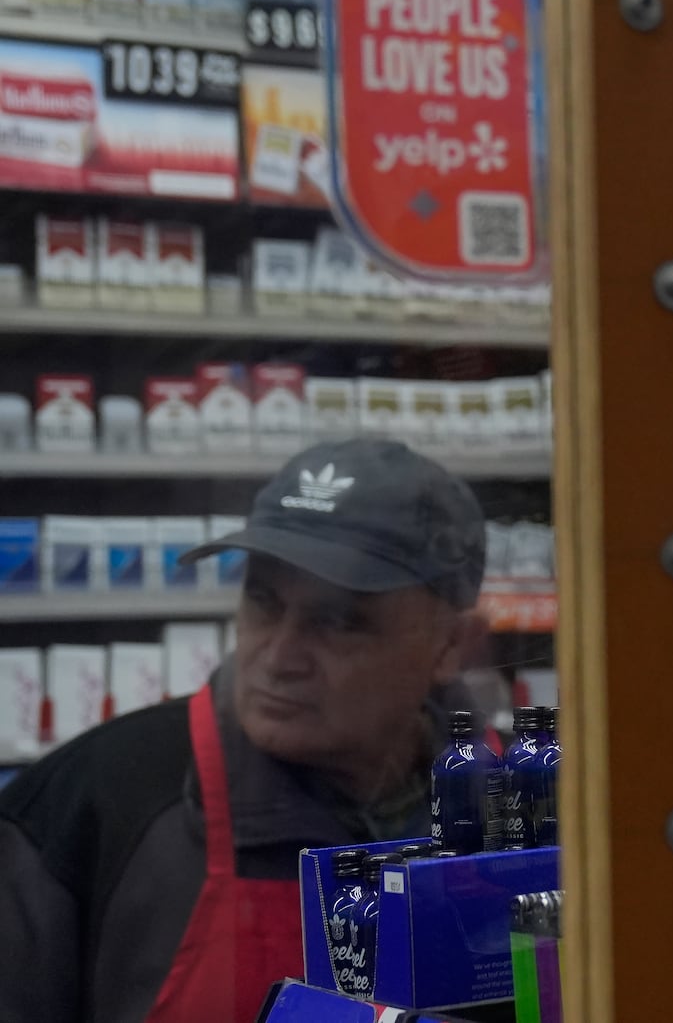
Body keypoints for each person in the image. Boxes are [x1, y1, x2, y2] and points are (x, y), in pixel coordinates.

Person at [0, 438, 490, 1023]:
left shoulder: (515, 816)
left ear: (450, 645)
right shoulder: (92, 808)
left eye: (338, 621)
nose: (280, 656)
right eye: (262, 600)